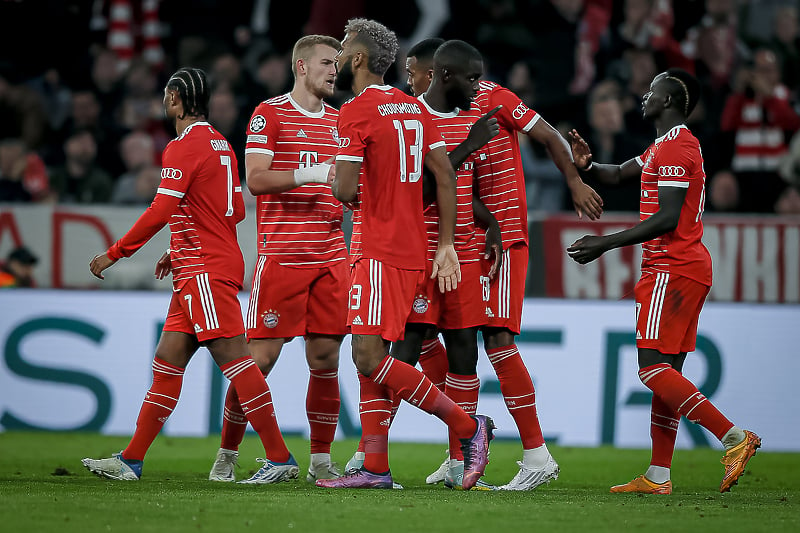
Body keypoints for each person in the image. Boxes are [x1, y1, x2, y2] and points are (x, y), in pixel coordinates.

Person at [401, 39, 603, 491]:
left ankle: (536, 454)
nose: (410, 80)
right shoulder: (432, 112)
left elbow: (549, 136)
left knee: (496, 340)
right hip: (469, 234)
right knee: (436, 337)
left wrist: (573, 180)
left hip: (503, 238)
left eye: (413, 71)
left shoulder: (494, 99)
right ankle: (459, 454)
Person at [81, 67, 298, 484]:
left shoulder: (182, 146)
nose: (164, 102)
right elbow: (230, 211)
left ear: (178, 99)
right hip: (199, 262)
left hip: (203, 269)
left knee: (237, 362)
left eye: (167, 95)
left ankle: (280, 457)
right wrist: (175, 247)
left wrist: (115, 253)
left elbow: (160, 211)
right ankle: (131, 459)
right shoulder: (221, 144)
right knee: (167, 362)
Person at [315, 18, 494, 491]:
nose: (336, 60)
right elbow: (446, 176)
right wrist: (449, 244)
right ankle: (375, 467)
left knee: (369, 355)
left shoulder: (353, 112)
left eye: (342, 51)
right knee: (372, 354)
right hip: (415, 250)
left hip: (377, 249)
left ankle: (469, 427)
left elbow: (346, 189)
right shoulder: (414, 108)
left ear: (357, 59)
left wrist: (339, 179)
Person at [566, 67, 761, 494]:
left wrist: (606, 243)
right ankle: (658, 476)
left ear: (669, 101)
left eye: (651, 91)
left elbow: (668, 218)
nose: (643, 96)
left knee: (652, 368)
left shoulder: (676, 149)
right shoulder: (662, 146)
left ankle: (733, 436)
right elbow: (617, 174)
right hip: (684, 268)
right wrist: (587, 165)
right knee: (668, 374)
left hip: (671, 268)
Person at [207, 35, 347, 485]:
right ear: (302, 66)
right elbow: (257, 180)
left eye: (338, 64)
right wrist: (315, 173)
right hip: (283, 256)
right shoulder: (270, 113)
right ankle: (227, 455)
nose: (335, 71)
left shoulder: (341, 121)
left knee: (326, 359)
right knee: (259, 361)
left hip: (330, 253)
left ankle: (321, 461)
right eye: (328, 63)